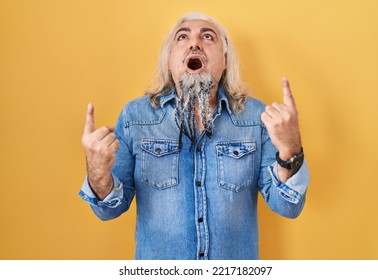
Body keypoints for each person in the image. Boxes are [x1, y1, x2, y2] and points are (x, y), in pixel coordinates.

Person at [79, 12, 310, 260]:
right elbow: (108, 210)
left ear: (225, 60)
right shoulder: (136, 117)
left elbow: (287, 205)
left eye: (208, 36)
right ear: (169, 61)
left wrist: (290, 149)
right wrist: (97, 171)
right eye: (182, 37)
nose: (194, 43)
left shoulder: (256, 117)